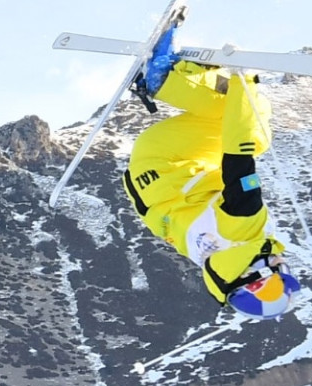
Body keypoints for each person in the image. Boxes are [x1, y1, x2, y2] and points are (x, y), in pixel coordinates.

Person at [124, 30, 300, 317]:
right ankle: (172, 77)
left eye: (280, 281)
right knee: (239, 122)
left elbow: (238, 152)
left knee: (253, 125)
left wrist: (246, 81)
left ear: (259, 278)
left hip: (168, 159)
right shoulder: (213, 259)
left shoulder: (245, 228)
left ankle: (167, 76)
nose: (284, 266)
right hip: (149, 180)